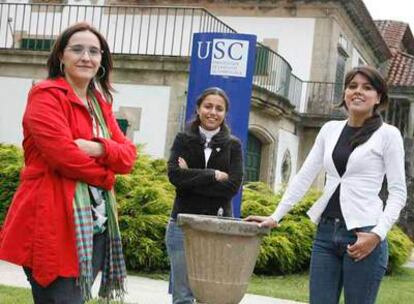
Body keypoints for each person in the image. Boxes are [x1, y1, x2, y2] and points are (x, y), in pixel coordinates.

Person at [0, 22, 136, 303]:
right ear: (61, 56)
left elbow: (128, 157)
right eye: (77, 49)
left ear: (102, 60)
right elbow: (65, 157)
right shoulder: (46, 96)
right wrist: (107, 176)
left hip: (95, 223)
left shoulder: (100, 103)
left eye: (94, 51)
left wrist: (99, 148)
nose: (86, 57)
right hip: (51, 220)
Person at [246, 66, 407, 304]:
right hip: (326, 233)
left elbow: (398, 193)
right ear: (344, 93)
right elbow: (304, 176)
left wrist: (377, 234)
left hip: (364, 234)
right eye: (352, 86)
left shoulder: (388, 134)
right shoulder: (330, 130)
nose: (358, 92)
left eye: (367, 87)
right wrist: (276, 216)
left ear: (379, 97)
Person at [165, 87, 244, 304]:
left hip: (219, 226)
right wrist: (212, 175)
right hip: (182, 226)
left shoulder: (233, 145)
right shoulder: (183, 139)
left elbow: (232, 186)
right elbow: (174, 176)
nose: (213, 112)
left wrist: (190, 176)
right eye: (208, 106)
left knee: (213, 296)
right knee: (183, 296)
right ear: (199, 108)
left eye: (219, 108)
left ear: (224, 113)